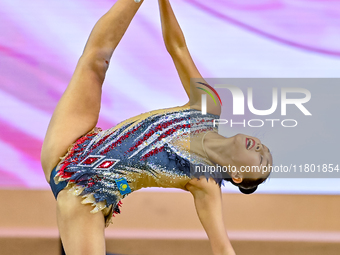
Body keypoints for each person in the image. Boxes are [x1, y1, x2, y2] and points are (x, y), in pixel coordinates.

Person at [41, 0, 272, 254]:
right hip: (70, 144)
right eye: (265, 148)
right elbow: (178, 47)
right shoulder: (208, 107)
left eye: (260, 160)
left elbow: (222, 247)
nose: (261, 148)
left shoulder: (206, 183)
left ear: (237, 176)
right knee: (95, 61)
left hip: (87, 199)